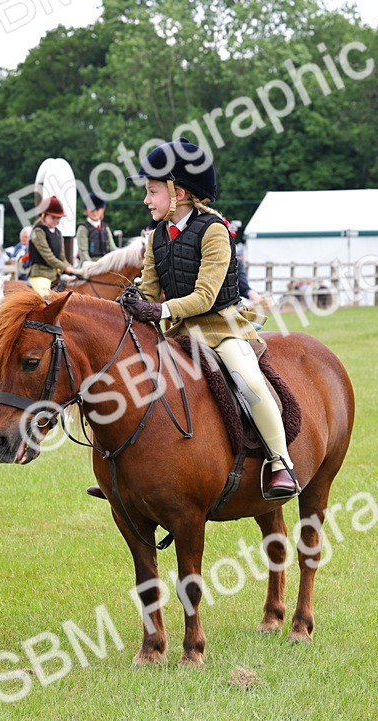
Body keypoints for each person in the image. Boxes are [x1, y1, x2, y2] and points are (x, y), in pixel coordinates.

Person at [119, 138, 298, 499]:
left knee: (248, 380)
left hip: (222, 328)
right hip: (178, 332)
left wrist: (161, 310)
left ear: (179, 192)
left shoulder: (214, 231)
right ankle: (125, 471)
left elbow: (205, 297)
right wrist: (135, 301)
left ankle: (280, 463)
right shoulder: (155, 238)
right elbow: (150, 292)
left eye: (152, 192)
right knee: (129, 380)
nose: (146, 200)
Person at [27, 197, 74, 294]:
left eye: (58, 218)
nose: (56, 220)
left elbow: (62, 257)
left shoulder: (58, 233)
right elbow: (49, 257)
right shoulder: (38, 231)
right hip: (40, 275)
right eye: (53, 217)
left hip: (55, 275)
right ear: (44, 215)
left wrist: (73, 269)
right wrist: (66, 268)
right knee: (45, 298)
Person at [75, 192, 115, 266]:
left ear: (102, 210)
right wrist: (94, 267)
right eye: (92, 210)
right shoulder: (83, 228)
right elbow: (83, 253)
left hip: (106, 264)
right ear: (86, 211)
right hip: (88, 265)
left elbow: (112, 249)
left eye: (98, 209)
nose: (95, 213)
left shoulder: (106, 228)